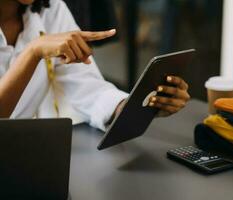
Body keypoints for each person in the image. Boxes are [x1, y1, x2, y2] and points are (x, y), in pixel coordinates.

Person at [0, 0, 190, 130]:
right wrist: (32, 53)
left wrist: (140, 106)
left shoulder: (51, 10)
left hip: (22, 157)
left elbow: (87, 87)